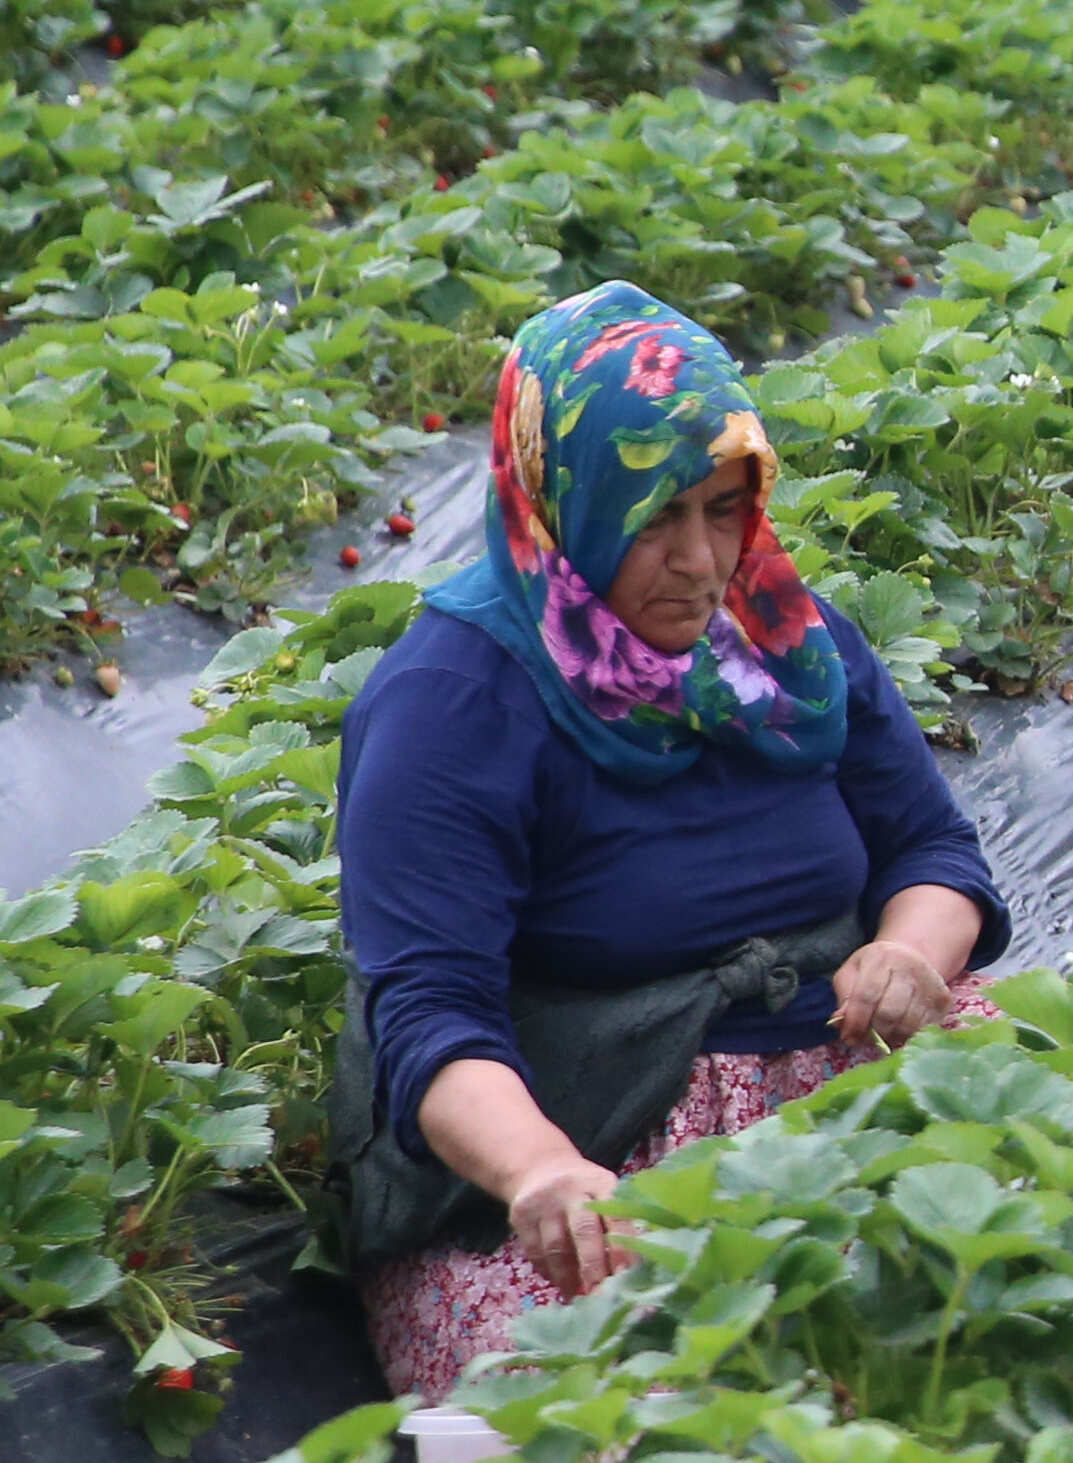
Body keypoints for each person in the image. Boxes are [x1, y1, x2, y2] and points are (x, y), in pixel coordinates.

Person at [333, 282, 1005, 1404]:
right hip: (596, 1145)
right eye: (655, 519)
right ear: (567, 499)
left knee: (1012, 1298)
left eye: (725, 509)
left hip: (847, 1084)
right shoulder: (454, 704)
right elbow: (429, 1014)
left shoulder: (785, 637)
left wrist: (910, 954)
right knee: (606, 1413)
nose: (702, 560)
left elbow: (933, 850)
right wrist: (540, 1171)